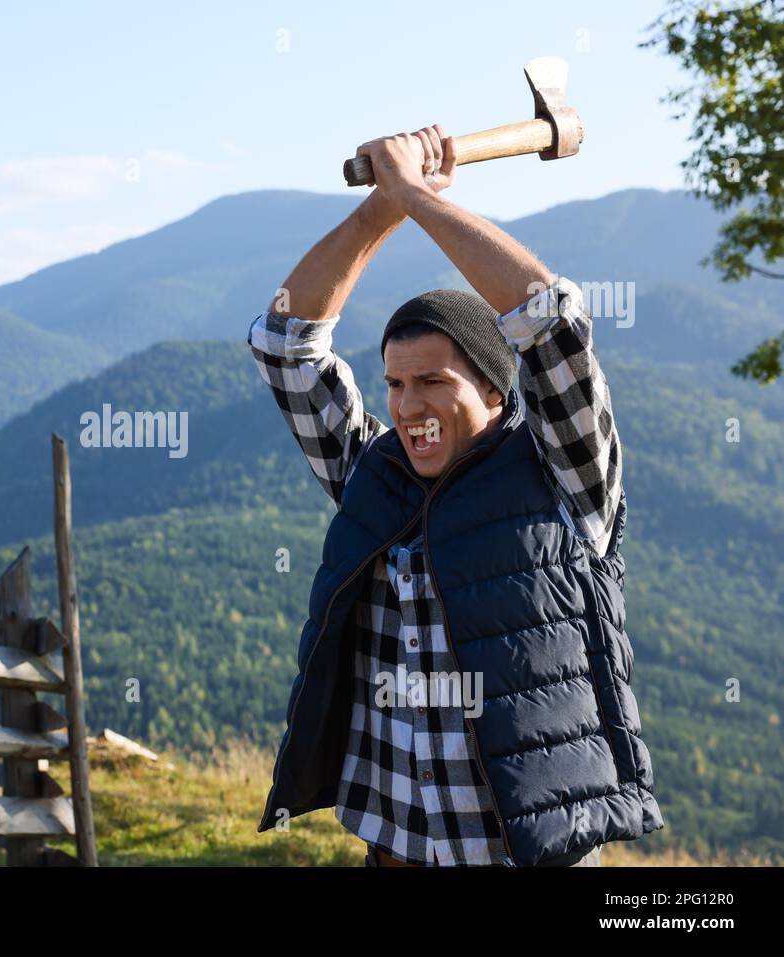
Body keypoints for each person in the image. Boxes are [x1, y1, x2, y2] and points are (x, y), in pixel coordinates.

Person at [249, 125, 664, 867]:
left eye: (434, 382)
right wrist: (382, 207)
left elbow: (550, 319)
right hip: (395, 851)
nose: (408, 407)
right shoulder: (372, 472)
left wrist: (415, 195)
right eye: (396, 384)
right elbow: (287, 341)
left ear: (496, 389)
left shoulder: (565, 477)